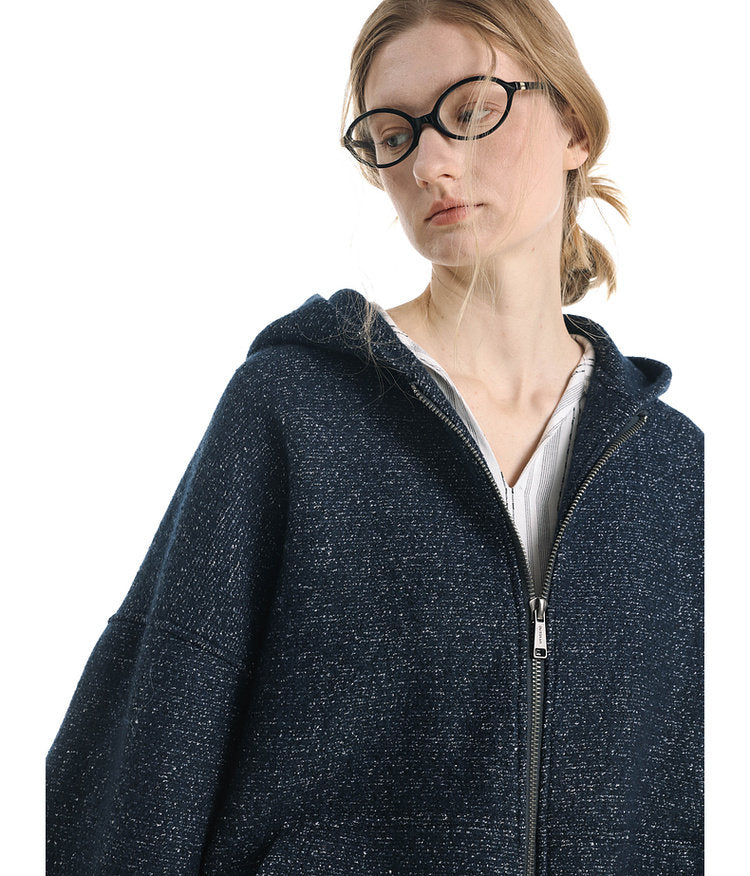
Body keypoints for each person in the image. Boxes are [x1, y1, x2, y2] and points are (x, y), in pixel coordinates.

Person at [46, 0, 703, 873]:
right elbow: (143, 753)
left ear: (575, 127)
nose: (430, 164)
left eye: (472, 110)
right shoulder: (293, 413)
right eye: (393, 135)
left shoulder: (680, 473)